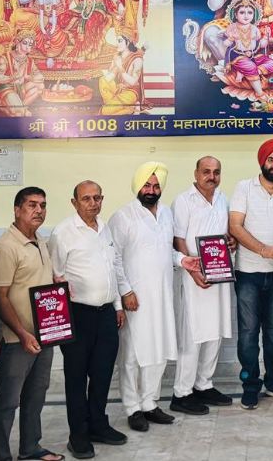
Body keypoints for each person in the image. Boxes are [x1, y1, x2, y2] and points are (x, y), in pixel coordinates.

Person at [110, 163, 200, 431]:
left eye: (156, 186)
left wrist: (183, 260)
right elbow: (114, 258)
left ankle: (149, 403)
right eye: (146, 185)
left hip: (162, 296)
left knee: (159, 351)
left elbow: (165, 251)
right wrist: (125, 291)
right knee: (132, 355)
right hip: (135, 299)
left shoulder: (166, 213)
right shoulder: (123, 216)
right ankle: (132, 407)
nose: (151, 190)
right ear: (137, 186)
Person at [48, 181, 127, 458]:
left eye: (97, 198)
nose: (93, 203)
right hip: (77, 314)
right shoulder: (62, 233)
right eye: (86, 199)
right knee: (76, 377)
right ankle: (78, 435)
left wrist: (117, 305)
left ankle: (98, 425)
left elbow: (113, 267)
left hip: (106, 314)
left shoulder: (105, 228)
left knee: (103, 373)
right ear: (74, 202)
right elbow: (55, 275)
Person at [0, 187, 63, 461]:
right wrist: (21, 333)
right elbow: (0, 296)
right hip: (16, 340)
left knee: (36, 396)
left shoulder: (41, 241)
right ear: (17, 209)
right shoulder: (6, 246)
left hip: (45, 334)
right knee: (8, 401)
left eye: (42, 205)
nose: (39, 210)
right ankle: (1, 456)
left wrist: (57, 286)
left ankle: (30, 448)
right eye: (31, 205)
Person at [229, 139, 273, 410]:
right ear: (262, 161)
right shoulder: (243, 188)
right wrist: (263, 250)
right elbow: (235, 227)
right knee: (248, 333)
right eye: (271, 160)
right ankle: (250, 386)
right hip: (247, 274)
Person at [170, 156, 235, 413]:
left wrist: (231, 241)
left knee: (215, 331)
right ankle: (182, 392)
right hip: (194, 277)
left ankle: (204, 384)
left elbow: (225, 234)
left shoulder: (222, 199)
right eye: (206, 171)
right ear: (196, 174)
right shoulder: (183, 200)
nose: (212, 176)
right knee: (193, 335)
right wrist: (192, 271)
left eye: (216, 172)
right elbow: (178, 240)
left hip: (219, 275)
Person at [0, 28, 44, 117]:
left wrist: (29, 77)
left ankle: (20, 108)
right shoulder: (5, 58)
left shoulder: (29, 60)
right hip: (7, 88)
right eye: (25, 43)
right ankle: (11, 106)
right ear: (17, 42)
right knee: (18, 114)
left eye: (30, 44)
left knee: (40, 86)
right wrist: (11, 78)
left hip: (21, 88)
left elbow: (40, 76)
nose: (27, 47)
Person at [98, 25, 146, 115]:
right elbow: (109, 78)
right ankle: (128, 108)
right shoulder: (117, 56)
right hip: (118, 89)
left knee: (105, 111)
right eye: (117, 41)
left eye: (120, 41)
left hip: (131, 92)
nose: (117, 44)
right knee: (102, 80)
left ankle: (130, 108)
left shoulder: (137, 59)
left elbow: (133, 82)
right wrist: (106, 70)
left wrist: (120, 67)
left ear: (128, 42)